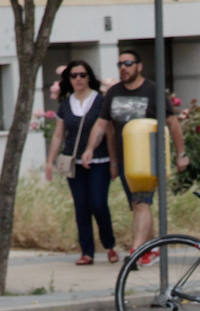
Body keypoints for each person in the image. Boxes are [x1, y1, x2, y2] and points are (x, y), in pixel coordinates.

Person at [80, 48, 189, 265]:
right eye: (120, 64)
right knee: (139, 205)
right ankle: (151, 249)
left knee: (141, 202)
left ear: (139, 66)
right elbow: (101, 124)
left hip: (148, 157)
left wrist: (181, 154)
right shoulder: (113, 93)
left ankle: (137, 251)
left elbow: (173, 124)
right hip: (125, 160)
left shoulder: (153, 91)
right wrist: (89, 149)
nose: (123, 68)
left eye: (128, 63)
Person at [45, 60, 119, 266]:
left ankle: (109, 244)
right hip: (73, 162)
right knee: (81, 207)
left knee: (98, 203)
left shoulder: (101, 101)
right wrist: (50, 161)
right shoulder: (65, 104)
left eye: (82, 75)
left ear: (89, 77)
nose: (78, 79)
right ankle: (87, 252)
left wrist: (114, 162)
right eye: (74, 76)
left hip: (100, 161)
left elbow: (110, 132)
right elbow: (59, 135)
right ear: (68, 80)